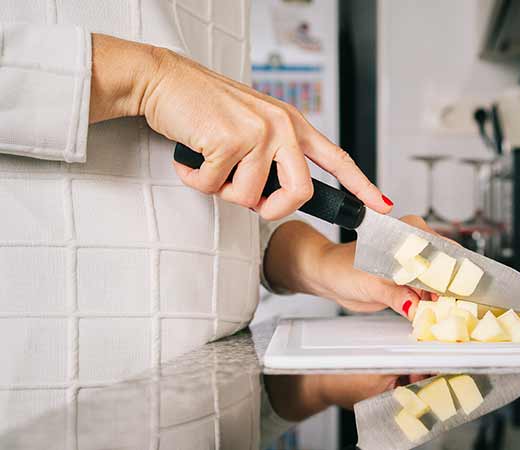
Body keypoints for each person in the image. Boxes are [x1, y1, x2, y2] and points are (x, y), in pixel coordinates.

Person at [0, 0, 433, 443]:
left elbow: (212, 204)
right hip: (47, 398)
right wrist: (147, 78)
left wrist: (321, 262)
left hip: (219, 397)